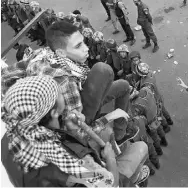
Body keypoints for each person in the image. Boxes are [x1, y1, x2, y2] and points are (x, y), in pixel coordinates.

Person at [2, 21, 138, 147]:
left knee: (123, 86)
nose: (86, 49)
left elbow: (6, 75)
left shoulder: (41, 54)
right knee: (102, 70)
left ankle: (120, 134)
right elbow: (77, 132)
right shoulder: (65, 81)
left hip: (69, 102)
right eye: (78, 46)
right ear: (61, 52)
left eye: (83, 43)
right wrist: (108, 118)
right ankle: (98, 118)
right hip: (69, 117)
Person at [1, 75, 149, 187]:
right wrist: (110, 158)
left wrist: (70, 130)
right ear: (52, 112)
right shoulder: (73, 161)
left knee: (106, 134)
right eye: (59, 94)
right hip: (102, 179)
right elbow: (110, 184)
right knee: (141, 148)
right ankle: (135, 181)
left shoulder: (11, 136)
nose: (63, 95)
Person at [127, 62, 174, 129]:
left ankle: (166, 126)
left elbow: (147, 94)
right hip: (158, 96)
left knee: (159, 115)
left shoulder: (146, 85)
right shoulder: (150, 73)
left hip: (155, 100)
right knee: (163, 110)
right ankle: (169, 120)